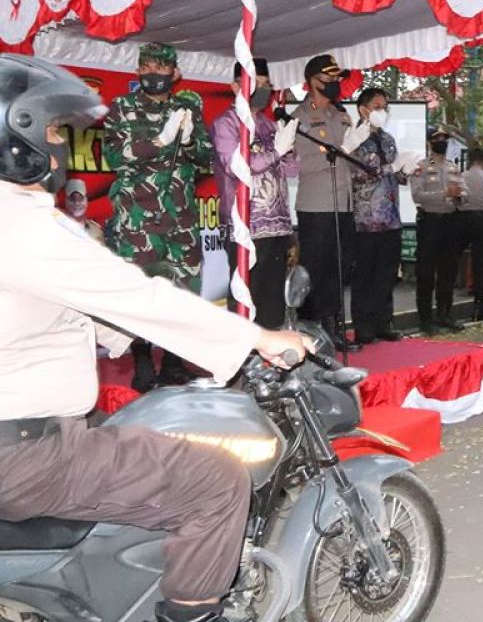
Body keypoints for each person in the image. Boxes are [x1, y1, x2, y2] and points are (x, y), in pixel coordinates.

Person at [0, 54, 311, 622]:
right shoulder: (21, 222)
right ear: (14, 135)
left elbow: (45, 305)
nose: (58, 143)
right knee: (216, 481)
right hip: (25, 452)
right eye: (49, 129)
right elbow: (137, 296)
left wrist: (115, 332)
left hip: (20, 439)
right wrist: (256, 338)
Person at [103, 42, 213, 393]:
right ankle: (142, 362)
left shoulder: (187, 107)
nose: (153, 73)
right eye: (146, 67)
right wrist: (162, 141)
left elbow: (205, 160)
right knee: (140, 291)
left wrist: (190, 137)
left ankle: (174, 363)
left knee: (184, 289)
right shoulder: (123, 107)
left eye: (160, 68)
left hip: (180, 215)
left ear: (174, 73)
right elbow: (115, 156)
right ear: (137, 71)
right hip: (138, 219)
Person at [210, 58, 298, 330]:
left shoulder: (269, 125)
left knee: (273, 301)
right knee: (247, 296)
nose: (262, 90)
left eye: (266, 85)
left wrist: (289, 147)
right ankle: (243, 361)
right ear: (236, 87)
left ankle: (269, 360)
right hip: (247, 227)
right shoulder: (226, 123)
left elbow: (292, 170)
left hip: (277, 227)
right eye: (255, 84)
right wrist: (276, 152)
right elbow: (237, 168)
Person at [294, 55, 366, 350]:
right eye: (329, 78)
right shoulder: (299, 118)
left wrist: (356, 144)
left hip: (343, 204)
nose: (335, 84)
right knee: (315, 271)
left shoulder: (341, 115)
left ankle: (334, 328)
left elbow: (353, 162)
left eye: (338, 78)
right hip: (316, 206)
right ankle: (310, 331)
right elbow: (299, 163)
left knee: (338, 270)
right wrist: (337, 152)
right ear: (313, 81)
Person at [347, 89, 405, 344]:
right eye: (377, 106)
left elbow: (396, 175)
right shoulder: (354, 138)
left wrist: (406, 169)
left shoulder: (389, 139)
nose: (382, 110)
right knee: (364, 277)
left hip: (391, 219)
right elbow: (357, 174)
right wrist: (388, 168)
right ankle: (364, 328)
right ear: (363, 109)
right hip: (365, 220)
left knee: (386, 274)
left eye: (385, 107)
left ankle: (383, 322)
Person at [410, 126, 468, 334]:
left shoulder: (453, 167)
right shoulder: (421, 167)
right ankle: (425, 319)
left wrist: (459, 195)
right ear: (430, 142)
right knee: (426, 273)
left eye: (445, 138)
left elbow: (465, 193)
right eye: (438, 139)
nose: (442, 142)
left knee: (448, 271)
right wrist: (444, 193)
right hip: (430, 223)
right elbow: (417, 195)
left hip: (450, 222)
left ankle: (445, 315)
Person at [460, 147, 483, 321]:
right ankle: (479, 306)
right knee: (482, 263)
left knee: (452, 260)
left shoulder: (461, 177)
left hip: (462, 219)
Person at [62, 177, 104, 242]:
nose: (76, 203)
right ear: (66, 201)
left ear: (86, 201)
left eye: (80, 198)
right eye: (72, 198)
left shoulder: (96, 230)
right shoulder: (57, 227)